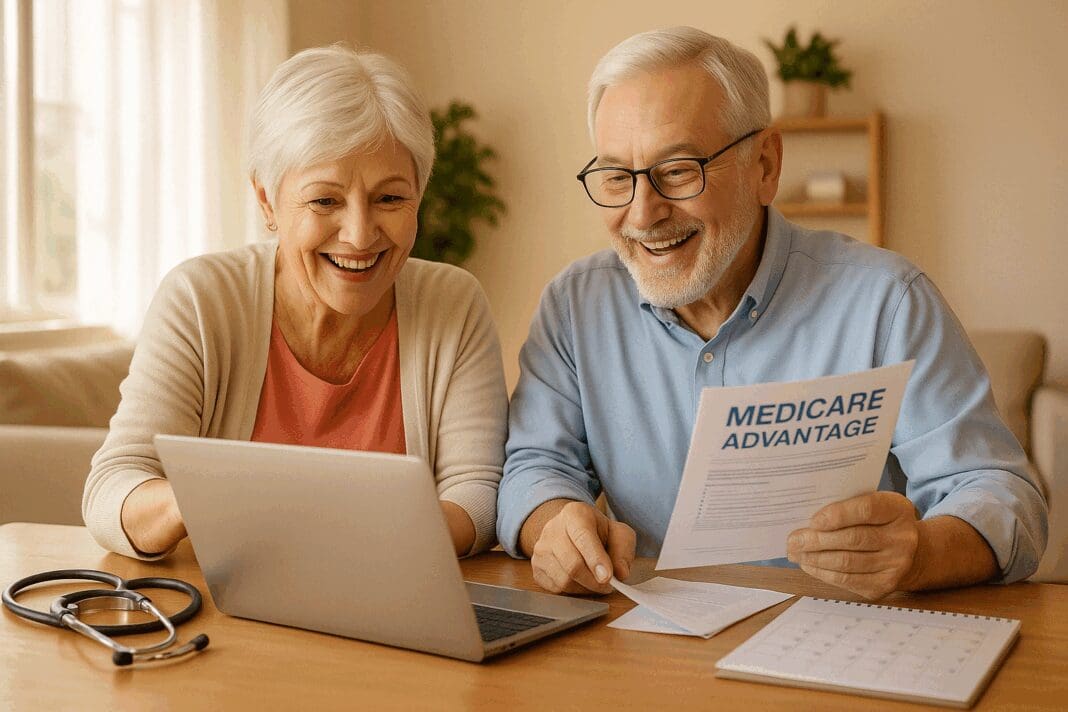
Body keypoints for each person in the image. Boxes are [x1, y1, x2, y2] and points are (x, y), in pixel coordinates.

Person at [497, 27, 1047, 600]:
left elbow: (1002, 495)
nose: (642, 213)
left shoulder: (888, 301)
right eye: (616, 177)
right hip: (656, 651)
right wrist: (555, 522)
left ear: (765, 164)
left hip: (848, 645)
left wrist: (922, 554)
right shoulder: (574, 306)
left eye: (679, 170)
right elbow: (535, 466)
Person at [83, 45, 507, 560]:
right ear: (267, 201)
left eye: (390, 198)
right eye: (325, 200)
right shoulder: (201, 299)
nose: (359, 234)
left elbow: (476, 496)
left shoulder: (453, 304)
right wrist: (201, 499)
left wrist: (342, 540)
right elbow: (112, 489)